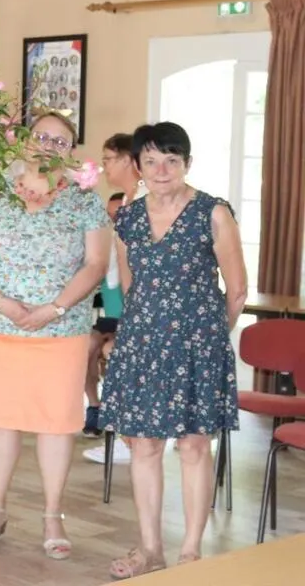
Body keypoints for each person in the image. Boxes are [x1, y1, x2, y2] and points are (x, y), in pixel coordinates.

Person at [0, 111, 111, 560]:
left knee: (56, 423)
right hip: (0, 326)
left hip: (61, 329)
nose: (48, 146)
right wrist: (2, 303)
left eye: (60, 141)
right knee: (1, 419)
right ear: (24, 140)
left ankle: (52, 517)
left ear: (71, 152)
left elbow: (96, 264)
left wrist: (55, 307)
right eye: (41, 136)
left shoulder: (85, 200)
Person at [99, 122, 247, 579]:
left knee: (193, 446)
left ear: (187, 163)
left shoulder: (212, 213)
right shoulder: (128, 218)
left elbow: (237, 290)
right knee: (144, 446)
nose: (161, 170)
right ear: (138, 167)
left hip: (198, 346)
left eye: (172, 160)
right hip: (142, 345)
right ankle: (150, 549)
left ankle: (190, 553)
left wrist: (207, 339)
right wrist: (141, 334)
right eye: (151, 161)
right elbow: (129, 286)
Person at [83, 133, 148, 457]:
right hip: (119, 309)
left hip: (142, 309)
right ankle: (103, 415)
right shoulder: (126, 203)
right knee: (89, 346)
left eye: (108, 159)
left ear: (126, 160)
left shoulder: (144, 201)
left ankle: (126, 433)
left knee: (114, 351)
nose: (104, 166)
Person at [82, 191, 126, 438]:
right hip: (109, 322)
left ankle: (116, 409)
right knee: (86, 344)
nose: (114, 223)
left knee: (112, 350)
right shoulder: (105, 253)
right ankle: (94, 406)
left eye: (119, 216)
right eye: (110, 217)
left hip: (133, 325)